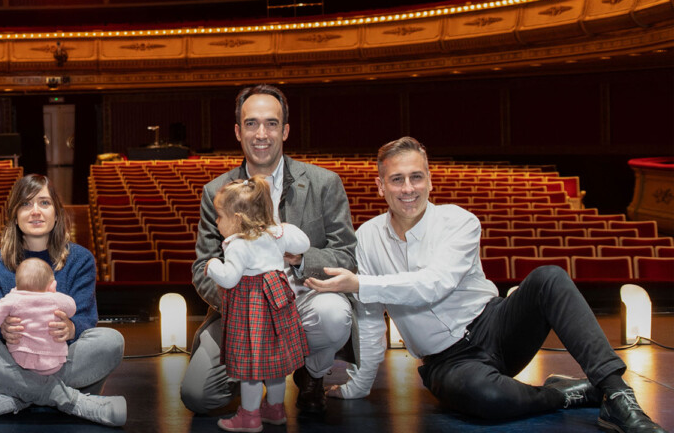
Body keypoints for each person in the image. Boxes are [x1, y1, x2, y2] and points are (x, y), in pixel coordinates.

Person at [307, 137, 666, 433]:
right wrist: (360, 385)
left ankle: (618, 396)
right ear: (380, 185)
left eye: (416, 177)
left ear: (430, 180)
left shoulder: (459, 221)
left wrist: (361, 284)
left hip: (495, 327)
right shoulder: (367, 237)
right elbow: (369, 319)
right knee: (487, 400)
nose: (408, 188)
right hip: (446, 361)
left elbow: (436, 283)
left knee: (549, 277)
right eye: (397, 179)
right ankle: (570, 394)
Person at [182, 84, 358, 416]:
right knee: (198, 396)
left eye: (271, 123)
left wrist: (304, 259)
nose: (261, 133)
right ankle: (260, 376)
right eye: (251, 123)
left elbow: (347, 256)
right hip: (240, 310)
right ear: (237, 131)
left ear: (285, 130)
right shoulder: (215, 191)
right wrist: (248, 307)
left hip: (305, 301)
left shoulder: (324, 183)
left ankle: (312, 372)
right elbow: (204, 267)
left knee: (334, 316)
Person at [0, 174, 126, 427]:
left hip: (59, 359)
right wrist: (3, 330)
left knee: (111, 341)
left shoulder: (81, 259)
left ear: (57, 213)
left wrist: (72, 328)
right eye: (26, 204)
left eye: (44, 203)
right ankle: (70, 401)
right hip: (12, 359)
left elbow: (87, 319)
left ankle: (11, 400)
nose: (35, 211)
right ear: (14, 215)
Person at [205, 177, 311, 432]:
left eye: (220, 216)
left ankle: (249, 416)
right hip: (277, 304)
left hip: (251, 308)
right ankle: (275, 409)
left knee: (251, 367)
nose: (217, 222)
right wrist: (282, 226)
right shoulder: (275, 235)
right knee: (275, 363)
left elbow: (229, 279)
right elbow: (304, 244)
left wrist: (212, 267)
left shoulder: (238, 245)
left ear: (238, 218)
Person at [0, 258, 77, 376]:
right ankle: (52, 390)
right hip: (55, 360)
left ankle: (26, 389)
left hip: (20, 359)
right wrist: (54, 293)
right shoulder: (56, 299)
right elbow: (72, 309)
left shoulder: (12, 299)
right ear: (52, 285)